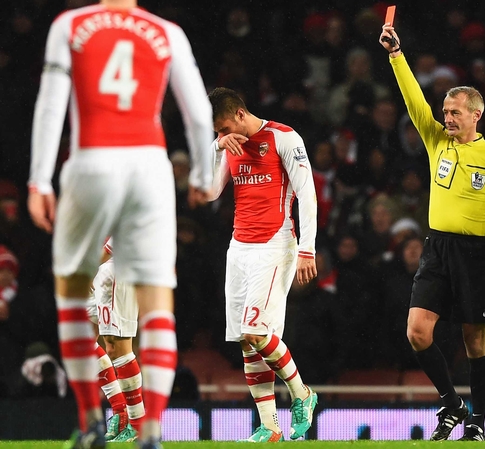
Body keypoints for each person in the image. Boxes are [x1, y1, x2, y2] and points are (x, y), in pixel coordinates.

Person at [27, 1, 214, 447]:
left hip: (92, 160)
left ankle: (92, 420)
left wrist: (38, 180)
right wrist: (204, 175)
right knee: (156, 305)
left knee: (74, 298)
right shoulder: (166, 31)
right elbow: (199, 115)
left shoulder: (69, 25)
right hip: (150, 167)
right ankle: (150, 431)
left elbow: (50, 106)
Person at [379, 24, 485, 442]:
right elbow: (413, 101)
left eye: (455, 112)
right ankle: (452, 402)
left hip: (479, 253)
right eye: (445, 112)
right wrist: (396, 55)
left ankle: (477, 421)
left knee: (476, 342)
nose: (447, 117)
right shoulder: (436, 141)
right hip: (437, 249)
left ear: (476, 114)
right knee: (416, 331)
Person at [208, 87, 319, 443]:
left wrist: (308, 248)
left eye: (223, 129)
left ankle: (302, 394)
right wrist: (216, 148)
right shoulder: (227, 147)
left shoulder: (283, 137)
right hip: (238, 247)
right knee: (246, 339)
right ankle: (270, 427)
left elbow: (307, 191)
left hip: (275, 245)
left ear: (240, 114)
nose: (223, 136)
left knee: (257, 332)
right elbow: (210, 193)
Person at [87, 239, 143, 442]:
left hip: (114, 263)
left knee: (117, 346)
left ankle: (137, 425)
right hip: (93, 261)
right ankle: (120, 413)